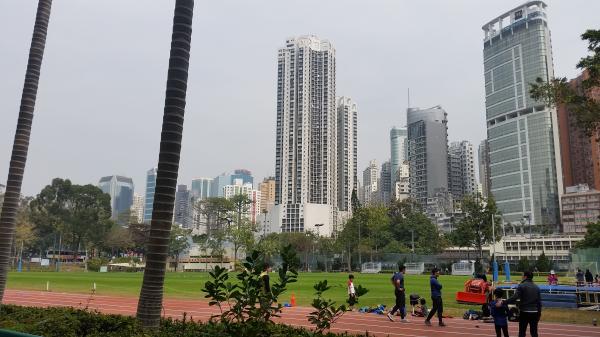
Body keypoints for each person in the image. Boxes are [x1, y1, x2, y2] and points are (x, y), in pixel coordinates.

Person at [506, 270, 541, 337]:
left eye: (522, 275)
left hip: (524, 311)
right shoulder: (537, 287)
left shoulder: (522, 285)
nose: (521, 277)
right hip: (535, 312)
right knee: (534, 332)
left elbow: (515, 297)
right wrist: (539, 313)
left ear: (525, 277)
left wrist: (504, 302)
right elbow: (539, 302)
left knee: (522, 332)